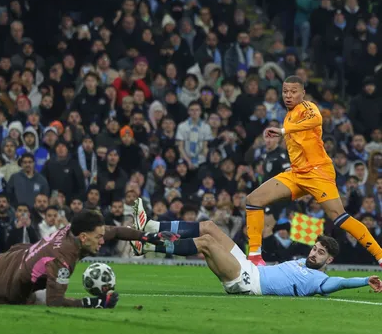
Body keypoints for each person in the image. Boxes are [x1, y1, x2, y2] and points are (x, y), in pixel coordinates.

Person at [245, 76, 382, 267]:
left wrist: (284, 131)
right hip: (296, 173)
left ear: (302, 93)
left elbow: (317, 119)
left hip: (318, 172)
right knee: (253, 200)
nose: (289, 95)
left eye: (293, 91)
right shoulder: (289, 114)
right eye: (285, 91)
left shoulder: (308, 107)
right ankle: (254, 258)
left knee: (339, 217)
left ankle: (380, 255)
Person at [0, 210, 177, 307]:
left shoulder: (74, 230)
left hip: (16, 256)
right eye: (99, 237)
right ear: (85, 237)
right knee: (35, 297)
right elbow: (56, 302)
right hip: (8, 290)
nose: (103, 240)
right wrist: (97, 304)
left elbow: (118, 231)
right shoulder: (64, 258)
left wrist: (149, 238)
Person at [130, 198, 382, 297]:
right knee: (209, 227)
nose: (314, 253)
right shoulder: (302, 261)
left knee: (206, 244)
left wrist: (363, 279)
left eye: (320, 253)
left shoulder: (319, 281)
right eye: (315, 248)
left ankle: (148, 247)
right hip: (249, 267)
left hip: (247, 282)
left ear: (329, 261)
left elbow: (339, 283)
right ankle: (150, 225)